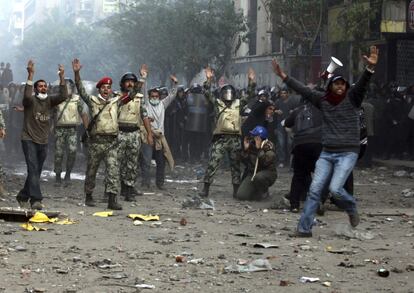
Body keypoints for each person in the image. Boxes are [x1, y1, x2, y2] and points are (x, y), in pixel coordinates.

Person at [272, 45, 379, 237]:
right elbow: (303, 90)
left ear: (346, 88)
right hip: (327, 152)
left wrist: (369, 68)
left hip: (348, 152)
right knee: (314, 191)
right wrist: (284, 77)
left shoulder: (353, 99)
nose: (339, 87)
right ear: (330, 87)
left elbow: (362, 83)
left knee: (336, 189)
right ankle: (304, 229)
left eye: (342, 84)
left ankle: (351, 207)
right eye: (336, 84)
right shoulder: (323, 101)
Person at [72, 58, 134, 210]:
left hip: (112, 142)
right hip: (96, 142)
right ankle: (88, 196)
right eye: (104, 87)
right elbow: (80, 89)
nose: (106, 89)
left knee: (113, 170)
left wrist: (140, 81)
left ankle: (112, 200)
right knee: (91, 170)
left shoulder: (116, 101)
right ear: (99, 89)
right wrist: (77, 73)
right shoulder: (92, 101)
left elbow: (130, 96)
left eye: (108, 87)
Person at [16, 60, 68, 210]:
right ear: (36, 89)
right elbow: (26, 96)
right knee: (32, 168)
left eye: (45, 86)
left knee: (37, 170)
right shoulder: (30, 100)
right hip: (28, 138)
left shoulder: (50, 101)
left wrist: (62, 77)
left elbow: (64, 95)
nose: (43, 87)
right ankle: (36, 200)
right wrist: (30, 74)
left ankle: (23, 195)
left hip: (43, 140)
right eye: (40, 86)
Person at [199, 67, 255, 198]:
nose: (228, 94)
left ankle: (236, 190)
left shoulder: (238, 103)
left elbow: (250, 94)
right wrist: (208, 79)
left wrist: (251, 81)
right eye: (225, 91)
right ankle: (206, 188)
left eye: (230, 92)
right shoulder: (218, 103)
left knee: (235, 166)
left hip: (235, 139)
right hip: (221, 138)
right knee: (213, 163)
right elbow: (206, 92)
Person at [117, 67, 153, 201]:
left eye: (132, 81)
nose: (130, 84)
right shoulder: (117, 97)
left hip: (134, 133)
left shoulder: (139, 98)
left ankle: (129, 189)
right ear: (122, 84)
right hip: (120, 132)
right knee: (118, 162)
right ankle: (119, 187)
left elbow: (144, 116)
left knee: (132, 163)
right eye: (127, 82)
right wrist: (142, 79)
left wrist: (149, 133)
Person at [284, 100, 323, 212]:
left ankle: (294, 205)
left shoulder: (298, 110)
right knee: (320, 175)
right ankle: (318, 203)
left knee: (298, 175)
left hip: (300, 145)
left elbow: (287, 123)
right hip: (317, 145)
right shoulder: (322, 110)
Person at [141, 74, 178, 190]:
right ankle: (146, 183)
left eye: (156, 96)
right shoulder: (146, 104)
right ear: (149, 97)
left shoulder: (162, 104)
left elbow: (172, 95)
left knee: (161, 162)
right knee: (146, 161)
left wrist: (175, 84)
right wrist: (144, 78)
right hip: (148, 136)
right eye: (152, 96)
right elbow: (143, 89)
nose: (155, 98)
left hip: (160, 138)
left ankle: (160, 183)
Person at [53, 79, 89, 187]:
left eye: (69, 87)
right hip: (59, 129)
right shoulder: (57, 99)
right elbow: (51, 113)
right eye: (65, 87)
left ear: (72, 88)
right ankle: (58, 175)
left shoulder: (77, 99)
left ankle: (68, 174)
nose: (67, 89)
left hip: (72, 129)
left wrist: (87, 130)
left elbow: (83, 114)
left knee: (72, 152)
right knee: (58, 153)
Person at [235, 126, 277, 201]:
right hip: (253, 173)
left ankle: (264, 192)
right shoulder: (251, 145)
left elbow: (265, 163)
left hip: (268, 173)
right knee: (241, 195)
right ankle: (256, 192)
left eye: (254, 136)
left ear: (259, 138)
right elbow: (243, 161)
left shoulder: (269, 146)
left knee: (259, 178)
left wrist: (259, 150)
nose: (252, 138)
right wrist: (245, 149)